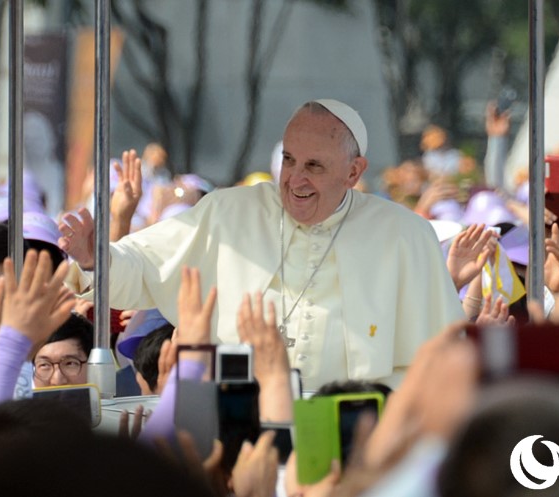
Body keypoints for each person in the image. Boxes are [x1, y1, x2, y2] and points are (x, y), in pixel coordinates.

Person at [60, 99, 463, 389]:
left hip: (354, 443)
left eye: (314, 166)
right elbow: (144, 262)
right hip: (238, 424)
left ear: (354, 171)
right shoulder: (229, 212)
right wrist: (98, 255)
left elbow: (441, 359)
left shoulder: (405, 235)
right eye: (289, 160)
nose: (295, 179)